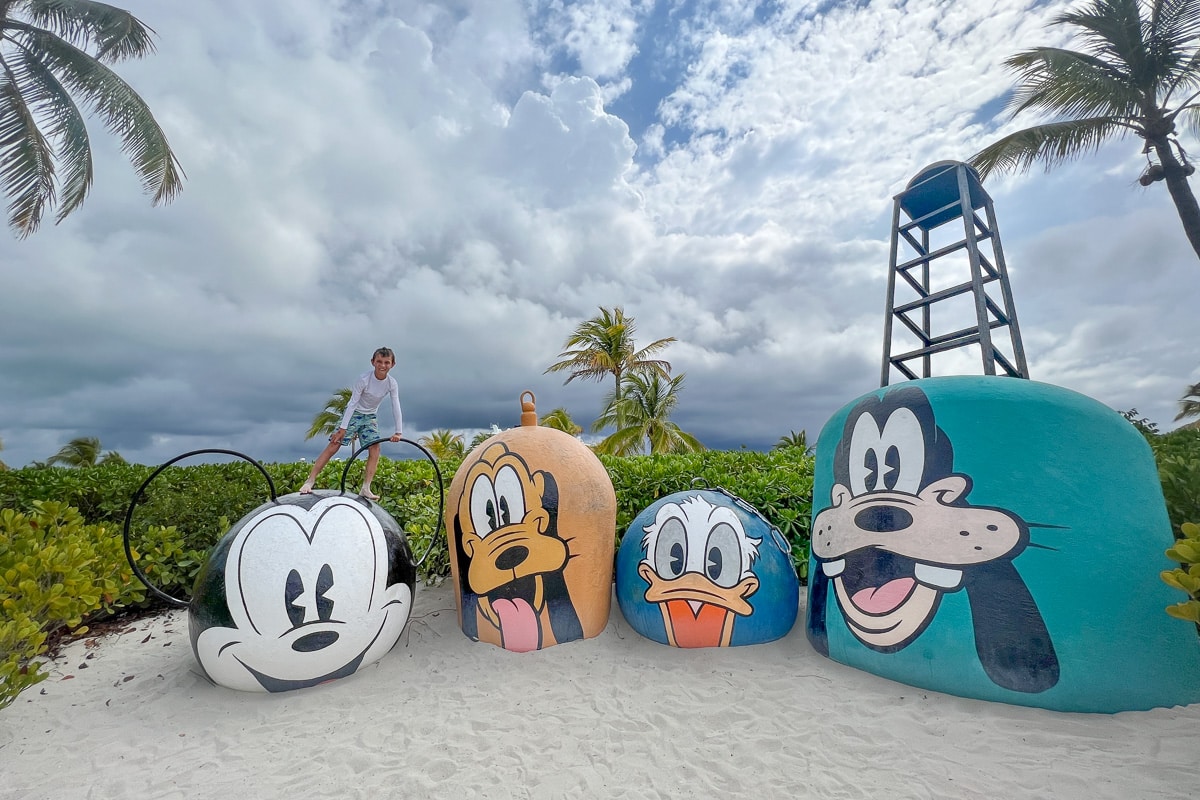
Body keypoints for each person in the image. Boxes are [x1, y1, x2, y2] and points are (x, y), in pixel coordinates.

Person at [300, 347, 403, 500]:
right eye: (379, 362)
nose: (383, 365)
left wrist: (398, 431)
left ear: (392, 364)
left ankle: (366, 488)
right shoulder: (364, 379)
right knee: (334, 444)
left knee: (375, 447)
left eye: (386, 362)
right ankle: (310, 481)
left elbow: (396, 404)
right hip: (354, 413)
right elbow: (352, 403)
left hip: (370, 416)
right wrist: (343, 428)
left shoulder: (391, 383)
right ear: (373, 362)